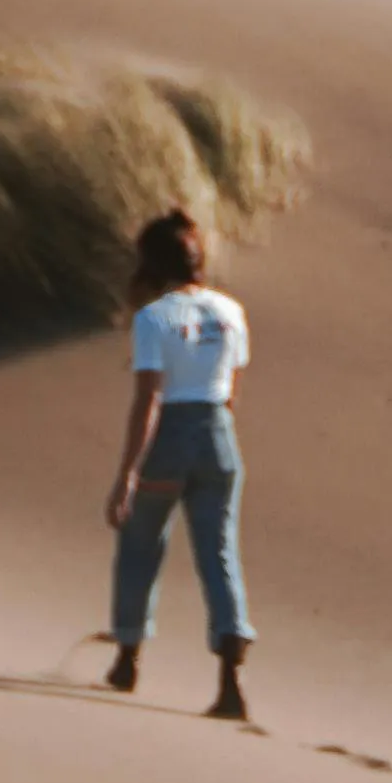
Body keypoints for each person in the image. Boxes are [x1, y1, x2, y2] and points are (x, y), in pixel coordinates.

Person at [103, 198, 256, 721]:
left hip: (170, 435)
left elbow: (149, 398)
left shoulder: (153, 318)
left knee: (142, 542)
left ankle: (128, 654)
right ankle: (231, 670)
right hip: (219, 437)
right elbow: (230, 390)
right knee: (218, 551)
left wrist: (127, 474)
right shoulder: (231, 311)